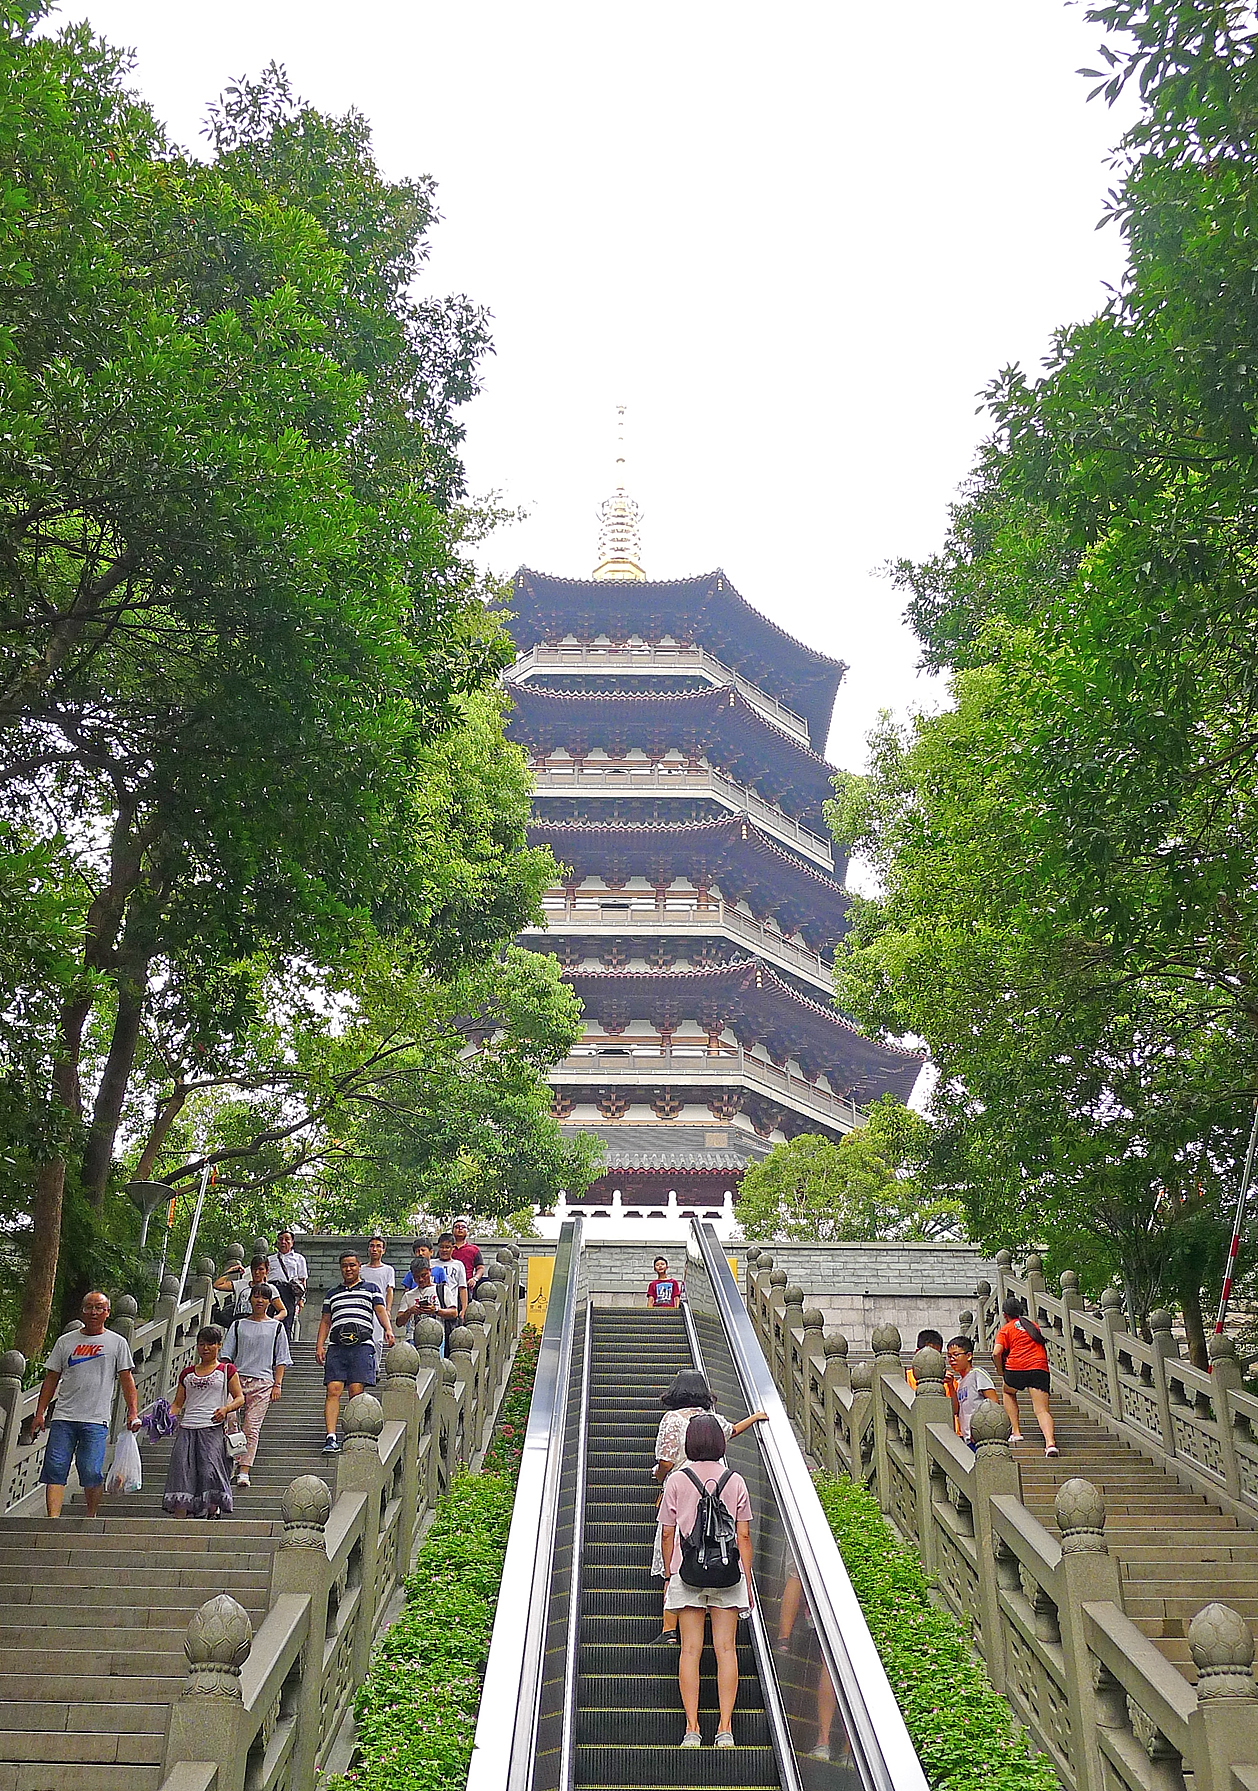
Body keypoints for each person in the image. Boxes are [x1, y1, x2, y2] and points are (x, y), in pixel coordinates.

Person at [659, 1412, 755, 1750]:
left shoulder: (677, 1480)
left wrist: (671, 1573)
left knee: (690, 1650)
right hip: (728, 1573)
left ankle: (692, 1729)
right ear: (720, 1441)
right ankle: (725, 1730)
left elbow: (668, 1533)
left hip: (688, 1573)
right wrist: (748, 1576)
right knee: (726, 1649)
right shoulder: (735, 1479)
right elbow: (743, 1535)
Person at [651, 1370, 767, 1643]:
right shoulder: (713, 1419)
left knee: (677, 1549)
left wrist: (661, 1478)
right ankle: (709, 1615)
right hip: (717, 1486)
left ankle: (670, 1628)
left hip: (681, 1486)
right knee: (711, 1547)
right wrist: (756, 1417)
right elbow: (733, 1431)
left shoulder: (671, 1420)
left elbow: (665, 1460)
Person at [32, 1292, 140, 1518]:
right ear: (82, 1311)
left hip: (96, 1419)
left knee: (90, 1470)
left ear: (107, 1312)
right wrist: (40, 1413)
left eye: (99, 1308)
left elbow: (127, 1380)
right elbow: (51, 1378)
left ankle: (90, 1515)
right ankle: (53, 1520)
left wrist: (133, 1412)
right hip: (63, 1417)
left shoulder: (117, 1343)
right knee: (55, 1469)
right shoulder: (66, 1341)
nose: (93, 1312)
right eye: (89, 1307)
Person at [316, 1252, 396, 1452]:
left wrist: (388, 1329)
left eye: (352, 1265)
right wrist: (319, 1345)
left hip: (362, 1345)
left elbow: (380, 1310)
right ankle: (331, 1437)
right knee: (333, 1389)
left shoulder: (371, 1289)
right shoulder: (332, 1293)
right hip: (337, 1346)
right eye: (344, 1266)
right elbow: (326, 1320)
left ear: (359, 1266)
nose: (348, 1269)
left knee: (356, 1391)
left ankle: (353, 1432)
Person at [162, 1326, 245, 1517]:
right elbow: (178, 1403)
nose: (205, 1348)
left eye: (210, 1344)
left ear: (219, 1346)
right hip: (188, 1427)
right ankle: (181, 1513)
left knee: (210, 1470)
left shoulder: (226, 1370)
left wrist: (226, 1409)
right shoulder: (187, 1373)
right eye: (201, 1344)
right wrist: (165, 1417)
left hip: (213, 1427)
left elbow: (239, 1398)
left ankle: (212, 1508)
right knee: (182, 1468)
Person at [222, 1284, 293, 1488]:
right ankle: (232, 1462)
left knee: (252, 1427)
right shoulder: (238, 1325)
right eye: (256, 1296)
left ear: (270, 1302)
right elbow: (227, 1356)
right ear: (250, 1299)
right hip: (237, 1380)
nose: (259, 1301)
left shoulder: (276, 1327)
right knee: (230, 1420)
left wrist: (278, 1384)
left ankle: (244, 1470)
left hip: (263, 1382)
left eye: (264, 1297)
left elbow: (281, 1359)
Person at [994, 1295, 1059, 1457]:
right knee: (1042, 1410)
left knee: (1008, 1391)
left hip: (1016, 1368)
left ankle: (1016, 1432)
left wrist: (1001, 1371)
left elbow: (996, 1353)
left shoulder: (1006, 1329)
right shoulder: (1033, 1326)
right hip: (1039, 1368)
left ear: (1005, 1314)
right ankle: (1050, 1444)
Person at [946, 1336, 999, 1448]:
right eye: (949, 1356)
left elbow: (993, 1402)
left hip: (982, 1436)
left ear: (969, 1356)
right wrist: (950, 1385)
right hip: (967, 1438)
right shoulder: (959, 1383)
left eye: (956, 1355)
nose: (952, 1359)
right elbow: (956, 1410)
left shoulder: (978, 1374)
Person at [215, 1256, 287, 1325]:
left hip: (259, 1323)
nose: (257, 1272)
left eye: (260, 1269)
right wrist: (231, 1271)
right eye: (254, 1269)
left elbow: (283, 1311)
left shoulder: (270, 1288)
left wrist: (273, 1320)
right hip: (239, 1322)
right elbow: (218, 1285)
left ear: (267, 1270)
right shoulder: (241, 1284)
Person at [360, 1235, 396, 1370]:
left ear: (383, 1250)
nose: (375, 1249)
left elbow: (390, 1290)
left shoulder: (388, 1270)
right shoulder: (361, 1269)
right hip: (362, 1308)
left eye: (378, 1246)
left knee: (377, 1340)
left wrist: (388, 1310)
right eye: (372, 1246)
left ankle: (375, 1369)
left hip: (379, 1309)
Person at [266, 1230, 308, 1340]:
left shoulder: (299, 1259)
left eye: (287, 1239)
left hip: (288, 1291)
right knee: (269, 1318)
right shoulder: (270, 1259)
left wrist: (301, 1299)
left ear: (292, 1242)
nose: (283, 1242)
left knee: (287, 1321)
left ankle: (286, 1348)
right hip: (271, 1289)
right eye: (281, 1239)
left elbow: (302, 1280)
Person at [431, 1232, 468, 1351]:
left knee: (449, 1342)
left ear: (453, 1247)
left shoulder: (458, 1265)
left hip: (450, 1308)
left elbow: (462, 1287)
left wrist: (464, 1308)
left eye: (447, 1247)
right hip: (433, 1306)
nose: (444, 1250)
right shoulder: (431, 1264)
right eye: (441, 1247)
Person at [906, 1328, 957, 1400]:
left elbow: (955, 1409)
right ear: (917, 1352)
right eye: (927, 1354)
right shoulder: (907, 1377)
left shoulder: (948, 1378)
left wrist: (951, 1386)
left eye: (936, 1354)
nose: (932, 1358)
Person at [395, 1259, 440, 1332]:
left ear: (430, 1271)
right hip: (413, 1336)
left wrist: (436, 1310)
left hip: (437, 1335)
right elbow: (398, 1323)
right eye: (416, 1277)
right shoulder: (408, 1295)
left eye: (423, 1275)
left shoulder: (442, 1290)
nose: (421, 1279)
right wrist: (409, 1311)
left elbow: (454, 1313)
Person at [450, 1217, 485, 1296]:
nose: (460, 1229)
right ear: (452, 1231)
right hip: (448, 1286)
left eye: (463, 1227)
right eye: (457, 1227)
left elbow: (481, 1268)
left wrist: (474, 1279)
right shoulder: (446, 1249)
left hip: (466, 1286)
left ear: (467, 1231)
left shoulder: (474, 1249)